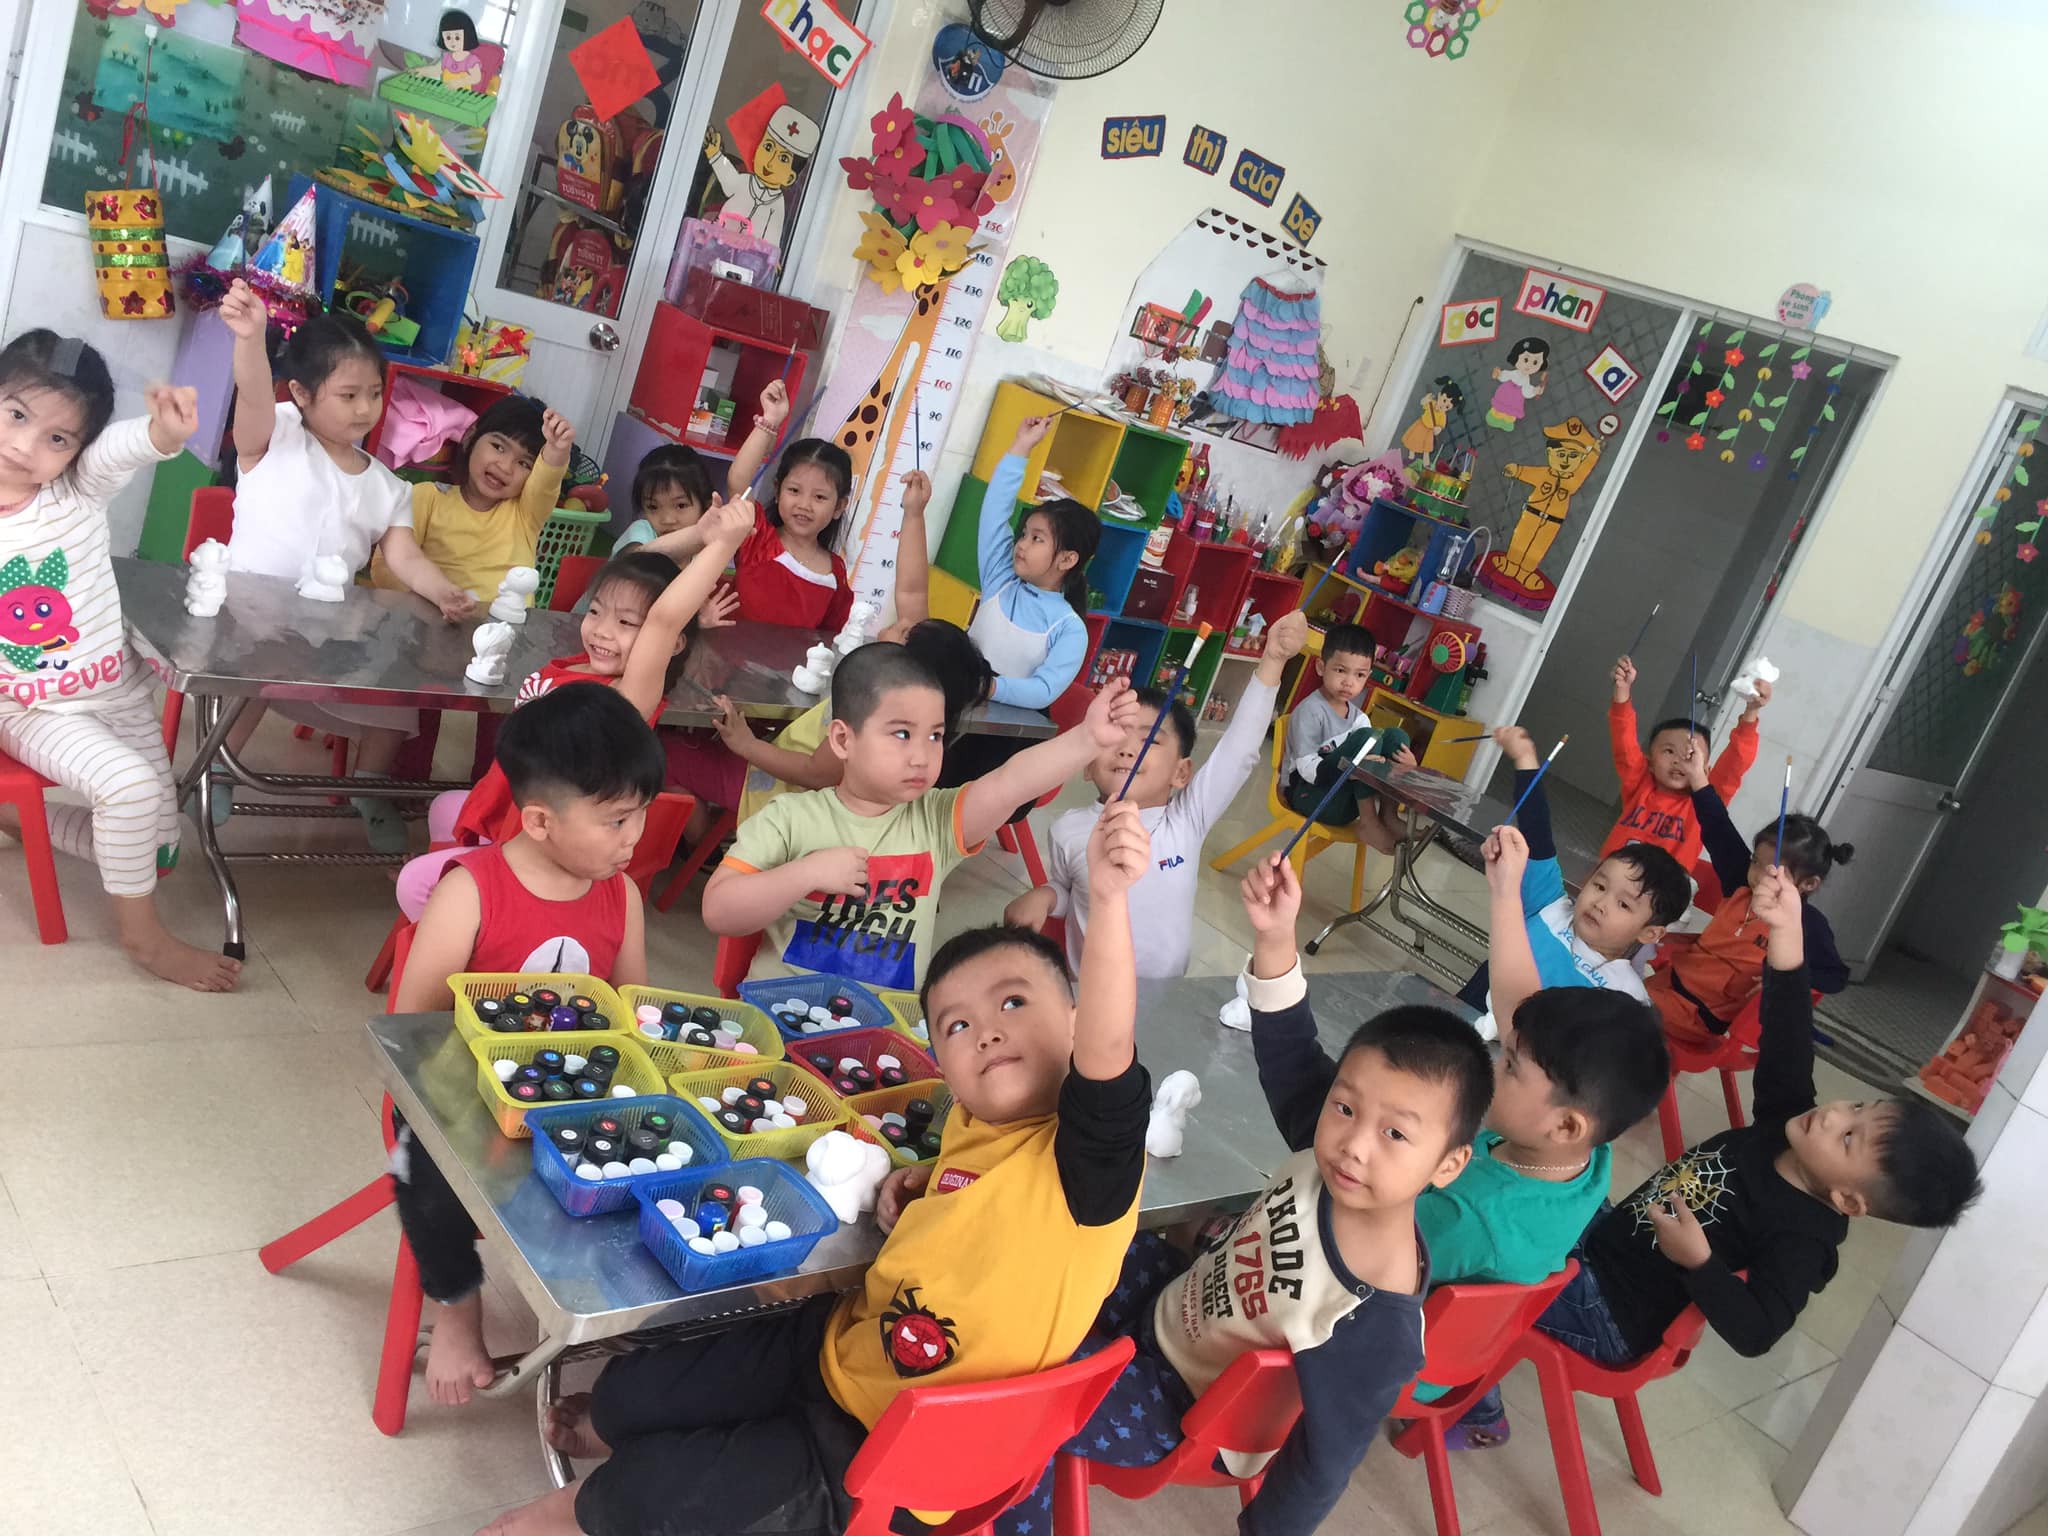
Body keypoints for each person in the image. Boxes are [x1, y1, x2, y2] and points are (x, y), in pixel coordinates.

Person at [483, 803, 1155, 1536]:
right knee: (630, 1392)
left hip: (886, 1455)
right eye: (957, 1025)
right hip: (840, 1348)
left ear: (1076, 1019)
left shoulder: (1091, 1168)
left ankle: (573, 1510)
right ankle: (616, 1426)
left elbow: (1107, 1060)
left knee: (633, 1497)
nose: (986, 1031)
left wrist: (1109, 900)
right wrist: (925, 1182)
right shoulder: (977, 1121)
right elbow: (987, 1203)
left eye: (1014, 1002)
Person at [994, 846, 1493, 1536]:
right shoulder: (1329, 1154)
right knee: (1051, 1243)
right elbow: (1291, 1055)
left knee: (1017, 1401)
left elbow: (1323, 1463)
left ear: (1449, 1164)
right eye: (1346, 1106)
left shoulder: (1375, 1323)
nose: (1354, 1142)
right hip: (1170, 1302)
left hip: (1180, 1405)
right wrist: (1277, 937)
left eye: (1396, 1134)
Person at [1456, 866, 1982, 1451]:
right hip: (1604, 1244)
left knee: (1480, 1262)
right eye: (1857, 1106)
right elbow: (1788, 1030)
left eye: (1849, 1139)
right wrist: (1786, 928)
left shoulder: (1804, 1239)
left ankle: (1474, 1402)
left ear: (1848, 1201)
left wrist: (1700, 1263)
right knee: (1549, 1181)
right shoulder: (1788, 1126)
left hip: (1610, 1311)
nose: (1834, 1115)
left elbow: (1757, 1332)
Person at [391, 682, 659, 1406]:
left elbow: (630, 1014)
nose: (634, 837)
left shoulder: (622, 894)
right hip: (465, 1091)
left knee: (656, 1151)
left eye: (640, 814)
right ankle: (456, 1306)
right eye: (616, 819)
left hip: (572, 1092)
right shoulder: (472, 891)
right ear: (539, 820)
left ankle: (601, 1303)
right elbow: (415, 1027)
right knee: (425, 1172)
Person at [0, 331, 239, 991]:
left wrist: (162, 433)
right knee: (129, 790)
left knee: (161, 851)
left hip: (118, 692)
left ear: (75, 451)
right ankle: (146, 941)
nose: (24, 444)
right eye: (15, 414)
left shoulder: (75, 491)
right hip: (30, 709)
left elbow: (117, 452)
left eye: (56, 438)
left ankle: (17, 817)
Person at [1423, 820, 1670, 1446]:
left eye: (1509, 1066)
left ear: (1566, 1122)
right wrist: (1505, 893)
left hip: (1390, 1352)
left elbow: (1364, 1255)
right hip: (1464, 1341)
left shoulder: (1465, 1213)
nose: (1494, 1066)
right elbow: (1515, 1005)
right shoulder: (1586, 1159)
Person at [702, 646, 1140, 990]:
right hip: (779, 1016)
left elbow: (1011, 783)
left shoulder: (935, 821)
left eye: (935, 736)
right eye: (901, 733)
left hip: (885, 1034)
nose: (922, 755)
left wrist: (1087, 738)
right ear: (843, 740)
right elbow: (719, 912)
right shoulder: (789, 818)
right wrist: (806, 873)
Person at [391, 500, 750, 919]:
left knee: (415, 882)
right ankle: (465, 915)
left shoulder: (626, 699)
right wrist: (698, 535)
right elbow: (627, 569)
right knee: (443, 809)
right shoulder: (581, 665)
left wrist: (724, 545)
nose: (602, 630)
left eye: (626, 623)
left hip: (537, 844)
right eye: (596, 611)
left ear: (670, 645)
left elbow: (664, 619)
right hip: (511, 806)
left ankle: (482, 930)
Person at [213, 278, 475, 844]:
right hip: (247, 610)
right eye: (348, 394)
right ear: (302, 394)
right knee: (257, 662)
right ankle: (219, 769)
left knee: (393, 685)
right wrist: (251, 338)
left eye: (374, 393)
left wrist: (442, 591)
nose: (365, 408)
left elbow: (403, 554)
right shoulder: (276, 436)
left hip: (327, 630)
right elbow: (254, 395)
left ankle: (368, 784)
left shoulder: (387, 485)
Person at [1003, 608, 1309, 978]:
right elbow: (1074, 892)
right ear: (1087, 764)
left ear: (1181, 773)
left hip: (1165, 995)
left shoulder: (1186, 820)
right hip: (1088, 992)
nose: (1127, 750)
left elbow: (1240, 751)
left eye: (1149, 741)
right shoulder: (1066, 829)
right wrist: (1048, 895)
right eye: (1115, 737)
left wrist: (1273, 661)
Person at [1463, 725, 1690, 1040]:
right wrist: (1525, 758)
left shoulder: (1625, 1000)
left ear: (1650, 932)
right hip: (1465, 1019)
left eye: (1624, 904)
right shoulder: (1548, 903)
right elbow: (1537, 833)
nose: (1600, 903)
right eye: (1600, 886)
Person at [1648, 746, 1851, 1049]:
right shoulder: (1742, 885)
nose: (1757, 875)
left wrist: (1783, 977)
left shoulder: (1806, 925)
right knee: (1599, 991)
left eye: (1771, 871)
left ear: (1808, 883)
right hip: (1668, 984)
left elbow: (1835, 977)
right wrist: (1698, 778)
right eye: (1755, 861)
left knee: (1611, 1007)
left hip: (1699, 1016)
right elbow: (1718, 828)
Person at [371, 394, 571, 601]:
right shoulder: (426, 497)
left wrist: (557, 450)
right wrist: (434, 598)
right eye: (498, 447)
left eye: (524, 463)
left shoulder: (526, 513)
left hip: (506, 620)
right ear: (471, 438)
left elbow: (546, 482)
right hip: (430, 615)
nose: (505, 467)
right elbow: (385, 568)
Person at [966, 414, 1099, 710]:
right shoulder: (1000, 579)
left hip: (1001, 732)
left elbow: (1043, 691)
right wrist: (1022, 446)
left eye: (1037, 539)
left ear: (1067, 559)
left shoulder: (1069, 629)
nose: (1022, 544)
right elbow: (994, 511)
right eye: (1024, 534)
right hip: (957, 710)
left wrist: (984, 686)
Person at [1604, 650, 1770, 867]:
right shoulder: (1639, 783)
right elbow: (1623, 739)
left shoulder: (1705, 805)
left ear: (1706, 772)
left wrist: (1752, 710)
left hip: (1664, 888)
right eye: (1669, 751)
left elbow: (1736, 763)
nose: (1679, 761)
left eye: (1691, 755)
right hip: (1611, 879)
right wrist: (1622, 690)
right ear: (1650, 763)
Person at [611, 380, 786, 557]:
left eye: (680, 505)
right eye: (653, 507)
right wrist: (698, 535)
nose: (667, 519)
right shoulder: (643, 531)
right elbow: (633, 558)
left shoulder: (704, 546)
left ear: (705, 506)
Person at [1282, 621, 1415, 853]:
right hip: (1308, 796)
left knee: (1396, 736)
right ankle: (1368, 822)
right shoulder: (1310, 711)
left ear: (1368, 676)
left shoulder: (1359, 718)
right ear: (1321, 667)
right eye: (1340, 670)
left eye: (1359, 675)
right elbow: (1307, 770)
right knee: (1367, 739)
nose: (1349, 682)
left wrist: (1407, 767)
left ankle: (1388, 815)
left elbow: (1375, 766)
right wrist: (1352, 771)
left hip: (1343, 799)